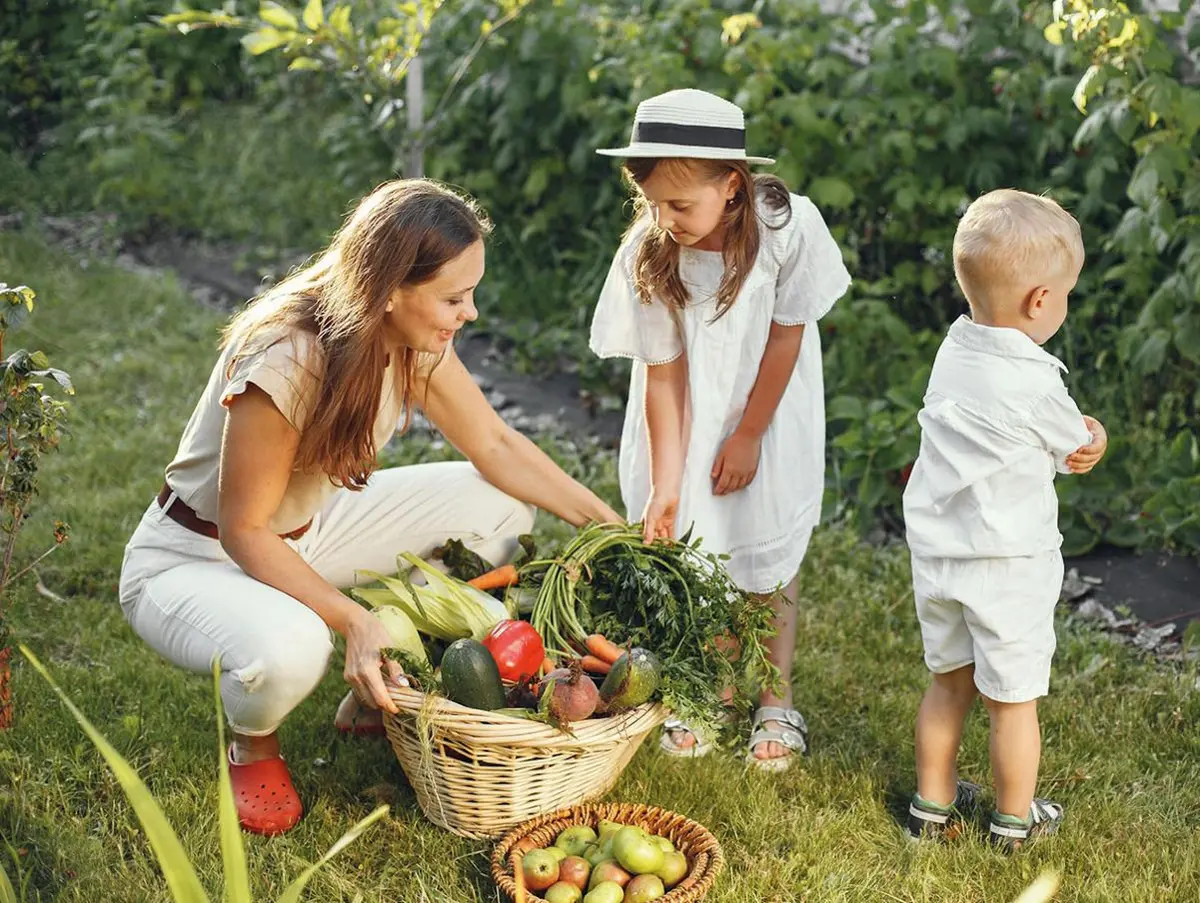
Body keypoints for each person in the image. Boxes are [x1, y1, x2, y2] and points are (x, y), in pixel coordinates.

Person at [118, 179, 621, 835]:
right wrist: (352, 620)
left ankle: (392, 682)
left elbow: (496, 444)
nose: (468, 313)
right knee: (296, 648)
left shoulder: (415, 341)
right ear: (388, 290)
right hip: (196, 556)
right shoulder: (287, 357)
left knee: (500, 505)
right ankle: (254, 739)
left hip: (302, 535)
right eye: (452, 296)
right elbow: (243, 530)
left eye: (471, 293)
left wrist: (606, 522)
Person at [588, 88, 852, 770]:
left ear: (732, 187)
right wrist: (667, 483)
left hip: (768, 409)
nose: (664, 219)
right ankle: (714, 688)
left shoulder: (786, 231)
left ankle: (775, 695)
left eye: (679, 205)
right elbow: (665, 373)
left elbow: (788, 337)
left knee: (765, 550)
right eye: (651, 204)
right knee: (700, 554)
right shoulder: (649, 255)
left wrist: (749, 434)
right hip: (686, 420)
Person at [901, 189, 1108, 849]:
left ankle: (930, 807)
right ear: (1040, 301)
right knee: (1012, 701)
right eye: (1066, 293)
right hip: (1008, 564)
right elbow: (1072, 447)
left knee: (948, 683)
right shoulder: (1034, 378)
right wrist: (1095, 434)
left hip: (939, 559)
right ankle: (1012, 820)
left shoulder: (956, 348)